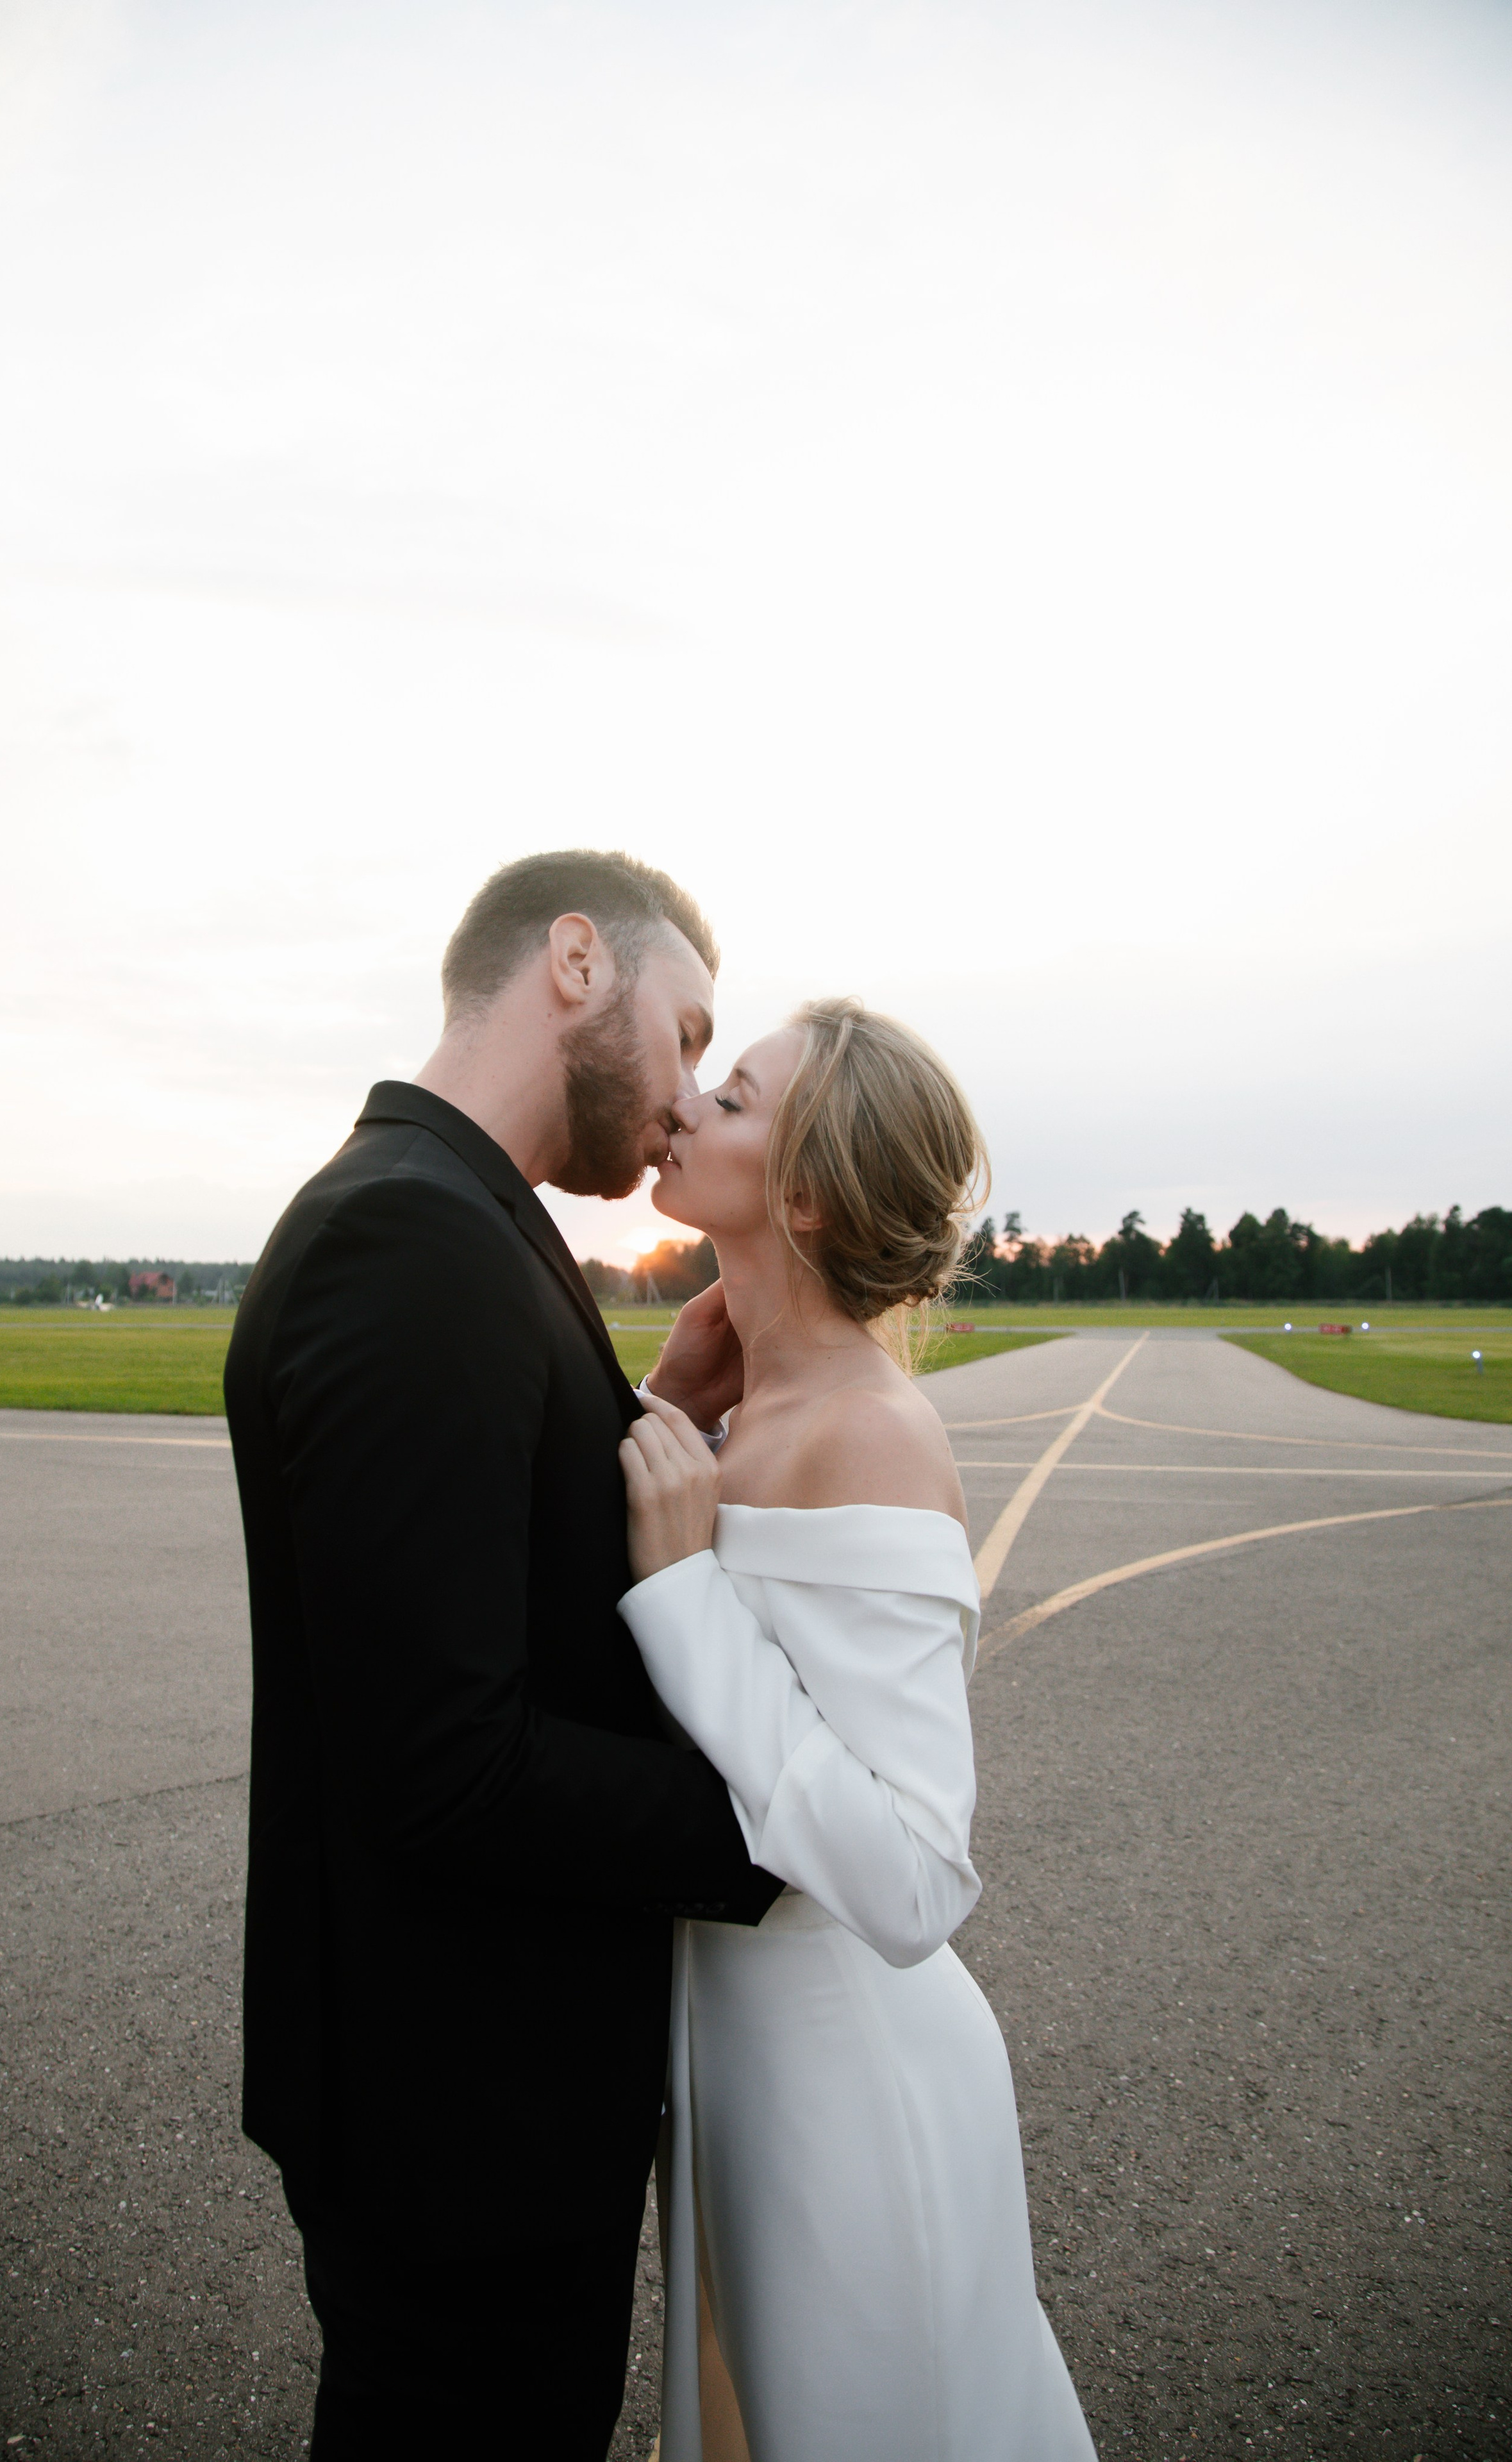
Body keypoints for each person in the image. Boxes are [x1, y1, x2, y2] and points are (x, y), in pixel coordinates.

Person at [223, 851, 783, 2459]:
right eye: (687, 1036)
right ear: (574, 965)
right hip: (458, 2117)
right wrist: (782, 1819)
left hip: (461, 2098)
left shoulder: (455, 1217)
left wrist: (652, 1414)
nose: (685, 1098)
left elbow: (500, 1557)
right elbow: (445, 1764)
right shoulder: (410, 1242)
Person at [618, 998, 1097, 2462]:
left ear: (807, 1191)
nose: (687, 1104)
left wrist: (689, 1591)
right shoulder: (740, 1412)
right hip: (736, 2067)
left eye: (737, 1098)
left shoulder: (871, 1430)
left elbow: (910, 1877)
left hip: (849, 2090)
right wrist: (658, 1411)